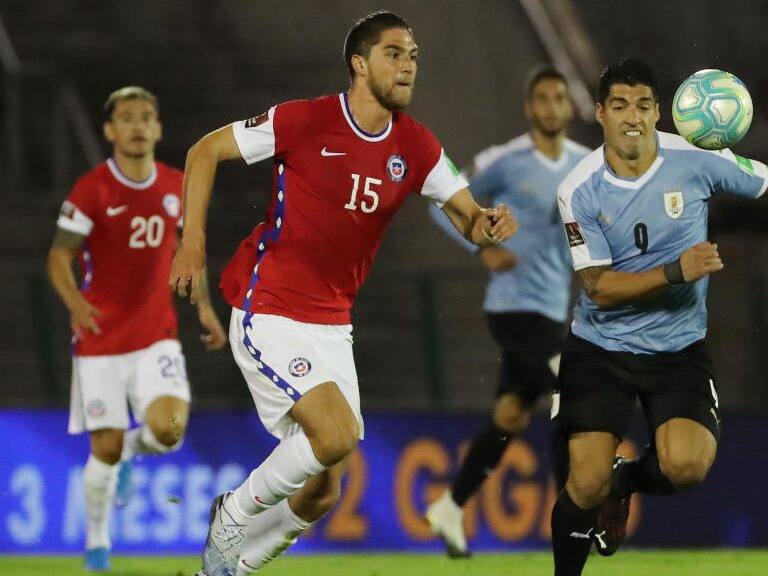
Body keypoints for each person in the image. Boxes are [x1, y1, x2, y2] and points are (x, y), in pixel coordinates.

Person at [169, 11, 517, 576]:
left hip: (333, 323)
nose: (407, 66)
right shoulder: (304, 120)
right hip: (270, 306)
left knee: (323, 490)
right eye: (394, 54)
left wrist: (490, 224)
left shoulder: (417, 146)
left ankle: (228, 569)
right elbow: (204, 150)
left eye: (413, 56)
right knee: (335, 435)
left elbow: (468, 217)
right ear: (360, 63)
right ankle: (231, 514)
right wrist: (192, 244)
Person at [551, 59, 767, 576]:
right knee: (584, 481)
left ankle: (623, 484)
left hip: (678, 350)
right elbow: (599, 289)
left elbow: (761, 180)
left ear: (659, 112)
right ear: (600, 113)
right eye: (620, 106)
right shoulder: (579, 188)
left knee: (687, 466)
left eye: (644, 106)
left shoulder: (694, 157)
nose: (633, 118)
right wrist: (677, 270)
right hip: (600, 349)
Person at [47, 86, 227, 571]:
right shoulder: (92, 190)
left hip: (155, 337)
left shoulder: (175, 184)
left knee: (169, 430)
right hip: (100, 340)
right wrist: (75, 302)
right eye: (127, 118)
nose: (137, 125)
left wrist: (205, 307)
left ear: (159, 128)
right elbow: (59, 256)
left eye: (146, 116)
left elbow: (186, 252)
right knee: (100, 449)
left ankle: (132, 448)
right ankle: (98, 547)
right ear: (110, 131)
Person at [425, 66, 590, 558]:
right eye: (542, 98)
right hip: (511, 306)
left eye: (559, 98)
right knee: (568, 388)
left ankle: (451, 507)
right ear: (529, 107)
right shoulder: (505, 161)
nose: (551, 107)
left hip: (552, 308)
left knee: (512, 414)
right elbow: (441, 204)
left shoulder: (586, 164)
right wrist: (482, 248)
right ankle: (575, 520)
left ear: (568, 106)